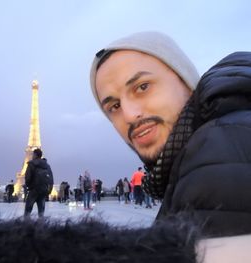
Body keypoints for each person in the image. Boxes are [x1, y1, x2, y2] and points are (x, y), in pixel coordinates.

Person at [90, 31, 251, 237]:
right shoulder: (200, 155)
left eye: (142, 87)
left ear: (185, 80)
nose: (130, 115)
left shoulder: (219, 152)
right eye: (114, 106)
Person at [24, 148, 53, 218]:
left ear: (35, 155)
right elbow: (51, 179)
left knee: (28, 209)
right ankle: (41, 225)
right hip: (43, 190)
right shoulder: (46, 165)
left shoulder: (31, 164)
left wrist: (28, 186)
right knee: (41, 211)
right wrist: (49, 190)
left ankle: (26, 225)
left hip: (33, 189)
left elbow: (27, 177)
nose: (32, 156)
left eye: (33, 154)